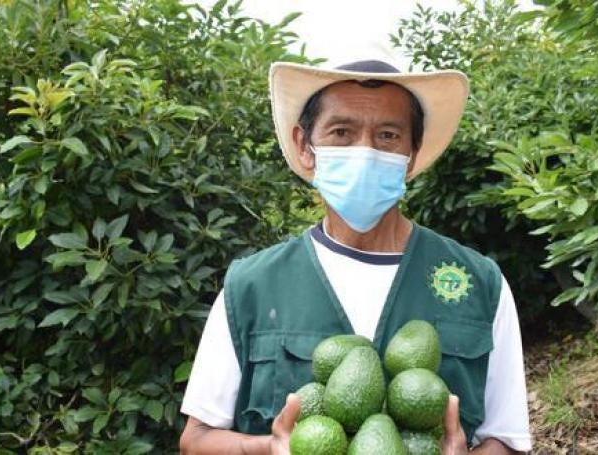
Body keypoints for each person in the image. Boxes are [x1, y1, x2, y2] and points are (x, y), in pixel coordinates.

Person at [178, 60, 532, 454]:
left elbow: (508, 441)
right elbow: (196, 441)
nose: (365, 150)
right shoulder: (251, 287)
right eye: (342, 132)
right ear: (304, 146)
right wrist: (268, 448)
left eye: (387, 135)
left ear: (412, 155)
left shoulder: (480, 283)